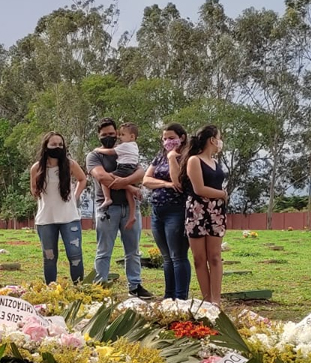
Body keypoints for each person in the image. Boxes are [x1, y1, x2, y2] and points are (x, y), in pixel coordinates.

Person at [87, 118, 152, 298]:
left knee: (133, 251)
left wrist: (127, 182)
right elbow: (102, 177)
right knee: (104, 251)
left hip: (130, 207)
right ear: (98, 136)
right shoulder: (95, 155)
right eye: (104, 135)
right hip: (108, 209)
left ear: (117, 133)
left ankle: (135, 286)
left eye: (111, 134)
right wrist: (129, 186)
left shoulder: (126, 149)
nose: (108, 137)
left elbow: (140, 172)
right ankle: (100, 287)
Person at [29, 132, 88, 284]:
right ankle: (51, 290)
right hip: (46, 219)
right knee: (49, 258)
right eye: (54, 144)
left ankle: (79, 289)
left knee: (75, 255)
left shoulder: (70, 164)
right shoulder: (36, 168)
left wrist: (75, 196)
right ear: (46, 147)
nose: (57, 147)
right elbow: (34, 190)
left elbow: (82, 179)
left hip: (69, 218)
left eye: (60, 144)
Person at [181, 124, 228, 305]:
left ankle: (216, 299)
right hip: (197, 211)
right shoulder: (194, 160)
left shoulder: (216, 164)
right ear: (212, 140)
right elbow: (199, 189)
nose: (220, 142)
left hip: (216, 212)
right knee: (199, 258)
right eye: (219, 137)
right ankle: (207, 300)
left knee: (215, 256)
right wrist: (222, 194)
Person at [143, 123, 190, 300]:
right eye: (164, 139)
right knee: (166, 258)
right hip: (157, 212)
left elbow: (178, 182)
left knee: (178, 256)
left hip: (177, 211)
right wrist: (164, 184)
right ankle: (168, 297)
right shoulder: (159, 156)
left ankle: (181, 298)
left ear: (182, 137)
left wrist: (172, 158)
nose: (167, 142)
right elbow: (146, 180)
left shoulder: (188, 156)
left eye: (171, 138)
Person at [95, 122, 141, 221]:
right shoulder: (134, 146)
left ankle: (107, 198)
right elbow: (99, 175)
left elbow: (142, 174)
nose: (120, 137)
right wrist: (129, 184)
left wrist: (98, 150)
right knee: (129, 193)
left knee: (107, 178)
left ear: (132, 136)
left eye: (122, 135)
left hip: (123, 168)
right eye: (104, 135)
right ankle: (132, 215)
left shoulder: (124, 146)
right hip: (131, 168)